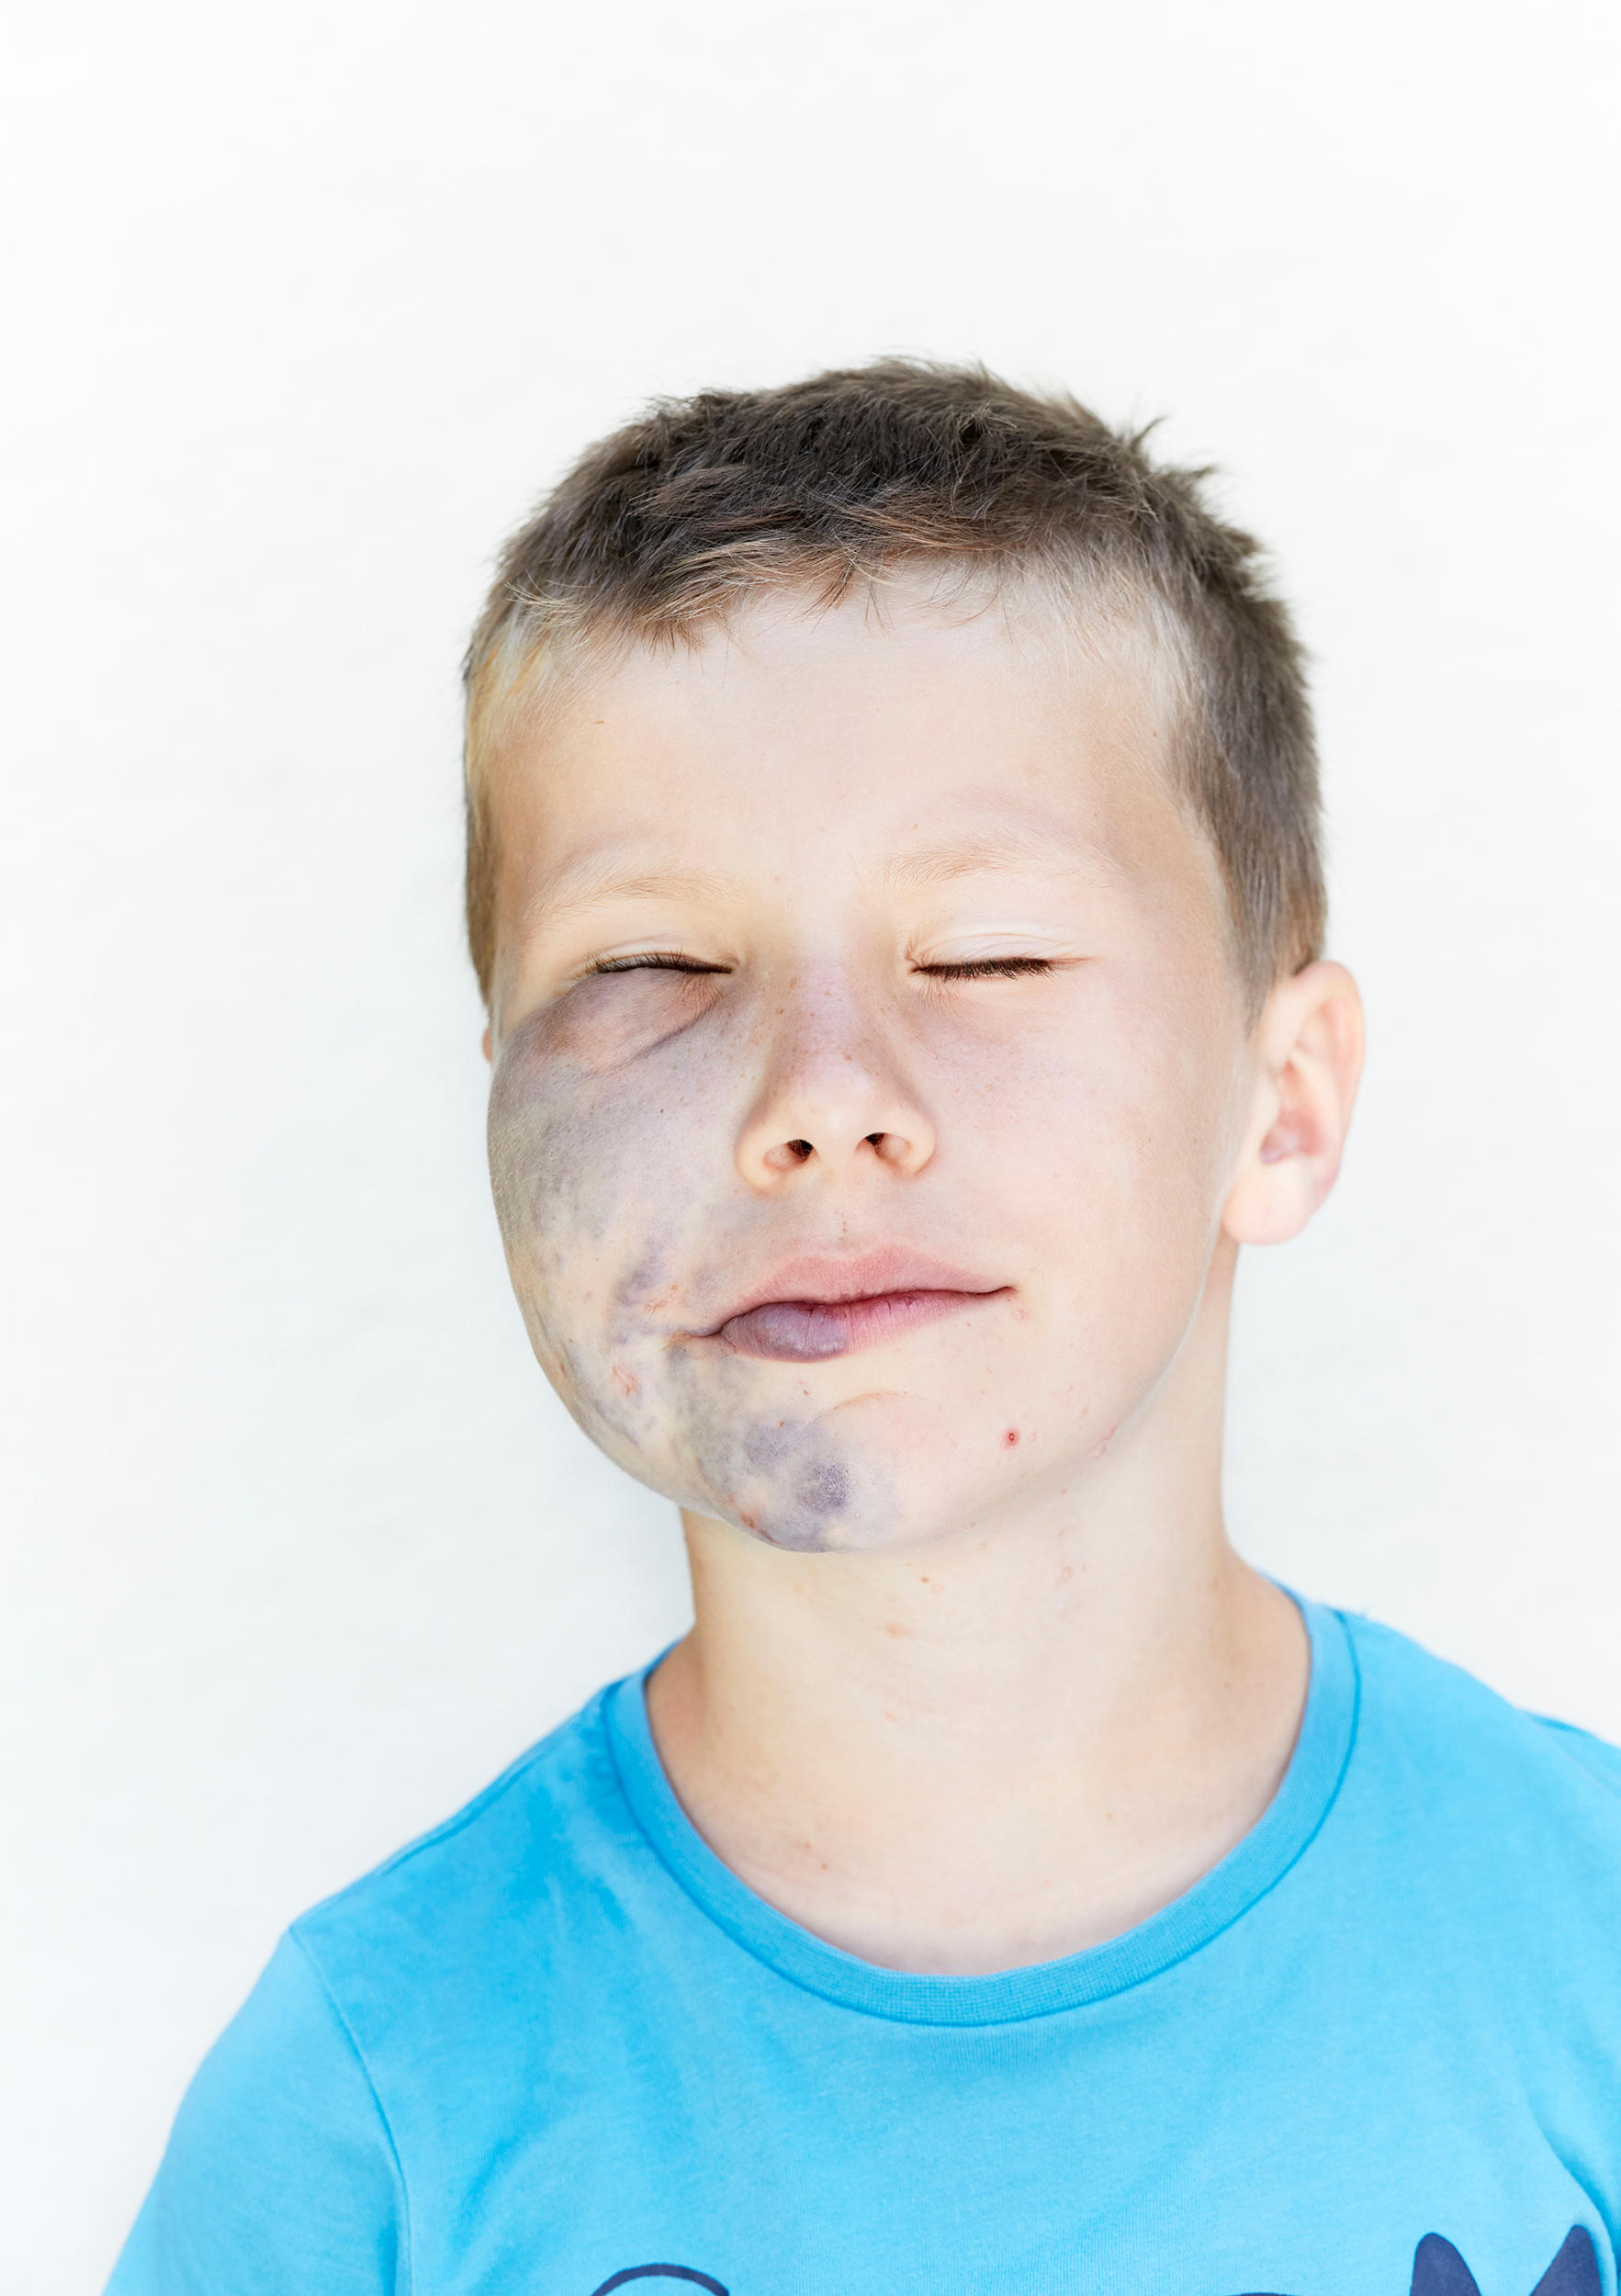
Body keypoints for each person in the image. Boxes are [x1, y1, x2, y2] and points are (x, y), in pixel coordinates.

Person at [107, 363, 1621, 2296]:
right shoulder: (371, 2109)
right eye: (651, 967)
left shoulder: (1585, 1946)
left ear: (1285, 1095)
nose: (817, 1095)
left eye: (984, 954)